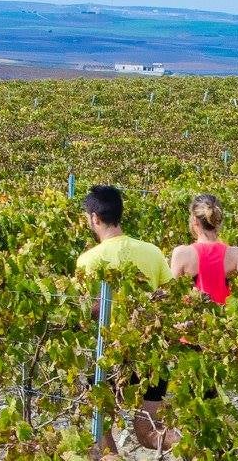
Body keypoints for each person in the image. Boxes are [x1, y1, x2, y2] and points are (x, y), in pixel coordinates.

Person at [75, 184, 169, 457]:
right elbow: (168, 299)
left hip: (110, 355)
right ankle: (199, 443)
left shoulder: (89, 260)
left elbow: (87, 310)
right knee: (149, 433)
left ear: (94, 218)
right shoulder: (152, 252)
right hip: (152, 353)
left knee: (97, 425)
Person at [169, 193, 238, 304]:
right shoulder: (235, 254)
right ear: (218, 220)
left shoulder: (181, 253)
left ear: (194, 220)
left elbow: (173, 297)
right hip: (227, 319)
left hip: (194, 320)